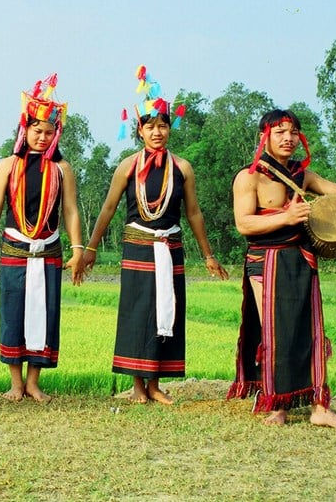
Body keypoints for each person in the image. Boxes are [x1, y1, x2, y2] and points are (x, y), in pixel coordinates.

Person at [83, 67, 228, 404]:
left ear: (169, 128)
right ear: (140, 130)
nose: (157, 131)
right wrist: (90, 248)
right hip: (138, 245)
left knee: (168, 310)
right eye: (150, 126)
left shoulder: (183, 168)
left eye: (163, 125)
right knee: (138, 313)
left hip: (170, 246)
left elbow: (193, 213)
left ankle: (156, 385)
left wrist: (207, 254)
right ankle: (138, 387)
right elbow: (107, 209)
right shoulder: (127, 166)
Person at [227, 108, 336, 432]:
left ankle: (321, 408)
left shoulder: (302, 174)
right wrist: (286, 218)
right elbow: (243, 223)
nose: (288, 138)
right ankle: (276, 404)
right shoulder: (249, 176)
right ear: (265, 136)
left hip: (300, 260)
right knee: (275, 334)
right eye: (280, 132)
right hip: (265, 260)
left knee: (311, 333)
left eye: (293, 132)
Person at [0, 74, 85, 402]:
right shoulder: (7, 166)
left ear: (56, 135)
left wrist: (77, 250)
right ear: (25, 129)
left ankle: (34, 382)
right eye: (37, 130)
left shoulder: (63, 169)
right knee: (13, 312)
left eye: (49, 132)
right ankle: (15, 382)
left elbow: (71, 211)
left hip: (49, 247)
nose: (42, 137)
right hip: (14, 248)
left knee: (45, 313)